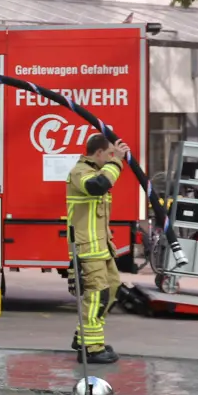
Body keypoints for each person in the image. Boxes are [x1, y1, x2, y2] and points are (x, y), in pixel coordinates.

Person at [66, 133, 130, 364]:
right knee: (97, 296)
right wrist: (118, 162)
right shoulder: (80, 172)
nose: (112, 158)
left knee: (112, 289)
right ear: (100, 153)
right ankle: (91, 349)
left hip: (102, 247)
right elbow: (96, 187)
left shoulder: (96, 171)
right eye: (110, 154)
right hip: (88, 249)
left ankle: (86, 337)